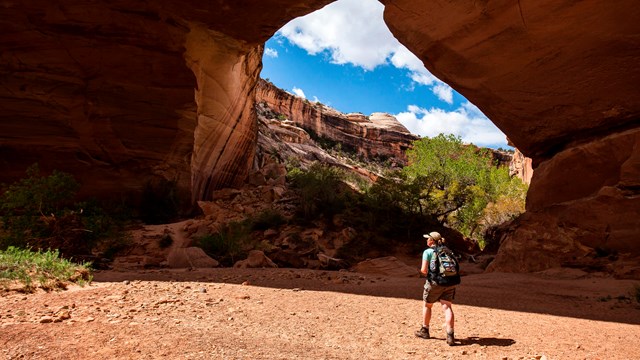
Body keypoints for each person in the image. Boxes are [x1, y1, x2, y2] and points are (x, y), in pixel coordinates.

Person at [415, 231, 457, 346]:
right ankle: (450, 335)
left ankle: (425, 330)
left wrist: (428, 273)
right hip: (449, 282)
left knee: (427, 305)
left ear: (431, 241)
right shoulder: (447, 251)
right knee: (447, 307)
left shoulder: (428, 252)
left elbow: (424, 270)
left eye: (428, 238)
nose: (426, 240)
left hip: (435, 283)